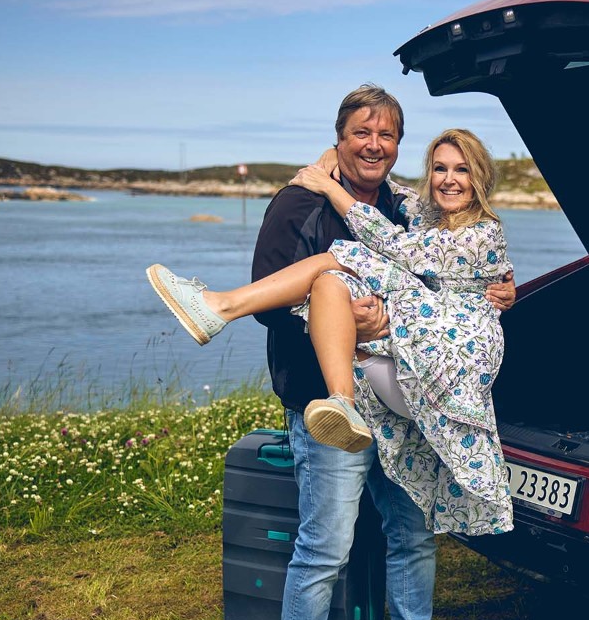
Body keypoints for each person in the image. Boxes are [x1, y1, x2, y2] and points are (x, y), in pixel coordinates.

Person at [155, 85, 514, 620]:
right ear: (340, 138)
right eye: (360, 134)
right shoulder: (298, 202)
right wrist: (353, 319)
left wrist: (490, 292)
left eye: (387, 136)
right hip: (328, 406)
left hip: (403, 405)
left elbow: (445, 273)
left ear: (398, 146)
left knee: (411, 534)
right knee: (324, 546)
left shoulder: (412, 210)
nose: (374, 145)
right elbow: (274, 305)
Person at [148, 127, 515, 534]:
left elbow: (394, 245)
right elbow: (382, 179)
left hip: (453, 358)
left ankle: (220, 305)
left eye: (462, 170)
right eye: (440, 168)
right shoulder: (429, 217)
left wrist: (325, 183)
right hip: (429, 338)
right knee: (329, 283)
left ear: (479, 178)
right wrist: (332, 154)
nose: (449, 179)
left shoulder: (483, 233)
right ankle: (341, 401)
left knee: (344, 255)